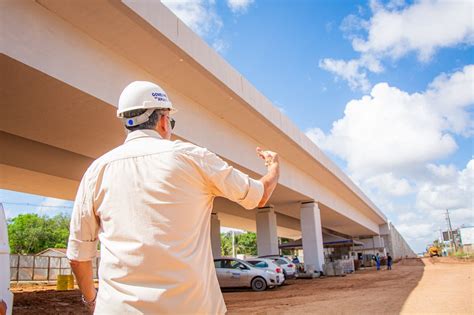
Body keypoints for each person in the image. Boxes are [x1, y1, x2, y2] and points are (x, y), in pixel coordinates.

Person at [67, 81, 280, 314]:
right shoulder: (193, 158)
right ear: (163, 120)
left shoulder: (97, 171)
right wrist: (273, 168)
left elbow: (78, 257)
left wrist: (91, 300)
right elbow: (258, 196)